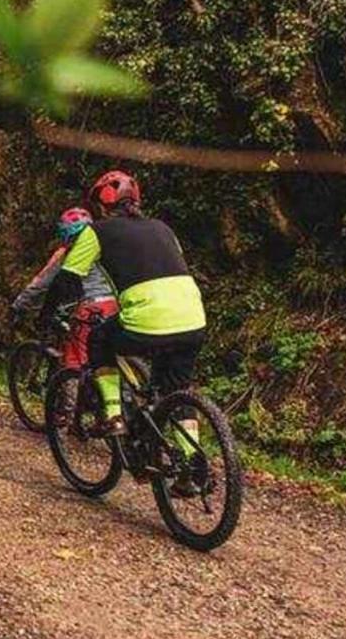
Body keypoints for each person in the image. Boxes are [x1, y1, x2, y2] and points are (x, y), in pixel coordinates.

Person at [49, 170, 207, 494]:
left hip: (146, 321)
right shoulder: (163, 228)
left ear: (102, 205)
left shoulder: (97, 232)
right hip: (192, 318)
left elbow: (67, 278)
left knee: (99, 340)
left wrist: (48, 314)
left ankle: (112, 415)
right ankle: (191, 466)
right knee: (175, 390)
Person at [11, 207, 119, 371]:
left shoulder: (67, 254)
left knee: (75, 363)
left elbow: (41, 285)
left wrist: (19, 306)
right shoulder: (105, 249)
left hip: (91, 307)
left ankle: (75, 394)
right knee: (109, 356)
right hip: (116, 306)